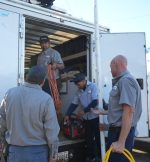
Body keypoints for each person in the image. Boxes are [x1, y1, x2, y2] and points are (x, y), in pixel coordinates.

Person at [0, 65, 60, 162]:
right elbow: (51, 130)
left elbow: (2, 122)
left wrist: (2, 141)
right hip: (38, 153)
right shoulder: (46, 99)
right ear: (43, 81)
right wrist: (54, 153)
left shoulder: (9, 94)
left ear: (26, 78)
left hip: (14, 152)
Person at [106, 55, 142, 162]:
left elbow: (129, 111)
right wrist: (103, 112)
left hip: (119, 133)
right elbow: (120, 109)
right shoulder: (124, 80)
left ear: (117, 64)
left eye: (111, 67)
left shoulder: (126, 81)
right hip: (119, 132)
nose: (110, 70)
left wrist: (121, 142)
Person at [64, 73, 101, 162]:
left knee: (98, 138)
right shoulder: (79, 91)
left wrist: (84, 111)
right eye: (76, 83)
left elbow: (95, 101)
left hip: (96, 117)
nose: (77, 85)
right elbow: (74, 103)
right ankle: (90, 157)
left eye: (78, 83)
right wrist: (67, 114)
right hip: (87, 119)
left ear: (84, 81)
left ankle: (99, 157)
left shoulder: (93, 86)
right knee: (88, 139)